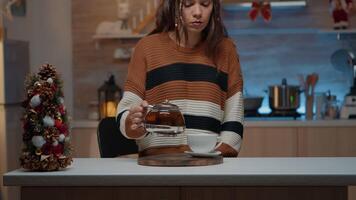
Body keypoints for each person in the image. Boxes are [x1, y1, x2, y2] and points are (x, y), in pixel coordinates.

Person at [116, 0, 244, 157]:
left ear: (214, 8)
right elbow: (125, 114)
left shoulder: (226, 50)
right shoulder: (146, 48)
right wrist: (134, 123)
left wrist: (210, 157)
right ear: (174, 6)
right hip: (157, 165)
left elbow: (234, 124)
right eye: (188, 4)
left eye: (205, 4)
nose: (198, 12)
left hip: (208, 168)